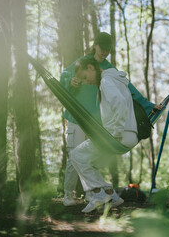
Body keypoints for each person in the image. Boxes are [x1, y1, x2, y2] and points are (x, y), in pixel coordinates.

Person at [60, 32, 157, 206]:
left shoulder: (108, 69)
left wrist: (149, 106)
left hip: (95, 121)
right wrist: (71, 82)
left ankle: (92, 195)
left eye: (108, 49)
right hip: (77, 116)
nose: (104, 52)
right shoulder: (82, 63)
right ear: (95, 45)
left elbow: (129, 90)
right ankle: (68, 194)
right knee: (74, 154)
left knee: (87, 157)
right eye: (102, 48)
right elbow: (65, 76)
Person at [69, 58, 140, 213]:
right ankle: (111, 195)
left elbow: (120, 104)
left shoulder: (106, 81)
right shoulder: (114, 79)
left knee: (76, 155)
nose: (85, 82)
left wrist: (115, 132)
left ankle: (97, 194)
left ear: (90, 68)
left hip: (118, 135)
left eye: (85, 77)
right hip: (129, 135)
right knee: (90, 162)